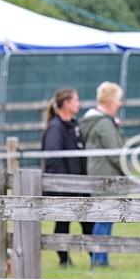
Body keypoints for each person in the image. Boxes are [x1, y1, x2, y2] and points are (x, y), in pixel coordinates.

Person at [40, 87, 94, 267]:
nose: (79, 104)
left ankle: (96, 257)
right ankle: (64, 260)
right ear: (67, 103)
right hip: (65, 186)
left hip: (80, 185)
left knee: (88, 223)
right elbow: (53, 159)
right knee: (63, 223)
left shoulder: (75, 126)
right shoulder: (55, 129)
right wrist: (64, 184)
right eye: (76, 100)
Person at [80, 81, 125, 269]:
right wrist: (127, 170)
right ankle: (99, 259)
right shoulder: (103, 123)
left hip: (101, 174)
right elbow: (115, 152)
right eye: (117, 100)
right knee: (104, 220)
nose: (119, 104)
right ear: (110, 101)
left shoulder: (102, 121)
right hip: (106, 177)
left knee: (105, 219)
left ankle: (101, 258)